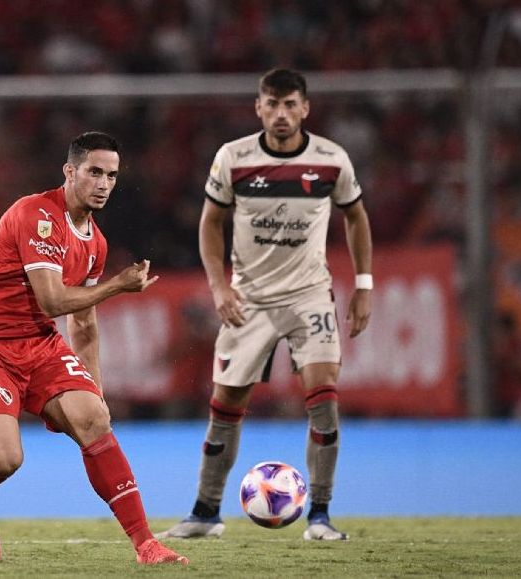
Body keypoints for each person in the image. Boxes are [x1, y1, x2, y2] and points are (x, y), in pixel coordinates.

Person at [0, 131, 188, 565]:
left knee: (95, 420)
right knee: (4, 459)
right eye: (94, 172)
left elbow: (83, 321)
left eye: (112, 175)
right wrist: (118, 286)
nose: (104, 183)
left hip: (39, 344)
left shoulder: (95, 243)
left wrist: (93, 391)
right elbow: (54, 300)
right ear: (69, 172)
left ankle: (146, 544)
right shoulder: (35, 215)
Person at [158, 69, 373, 541]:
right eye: (272, 105)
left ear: (305, 109)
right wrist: (219, 287)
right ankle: (206, 511)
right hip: (249, 300)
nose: (281, 114)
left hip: (309, 295)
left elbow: (355, 216)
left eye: (290, 105)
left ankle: (319, 515)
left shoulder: (331, 161)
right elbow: (210, 223)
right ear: (258, 108)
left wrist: (364, 285)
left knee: (324, 397)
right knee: (226, 403)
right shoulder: (233, 159)